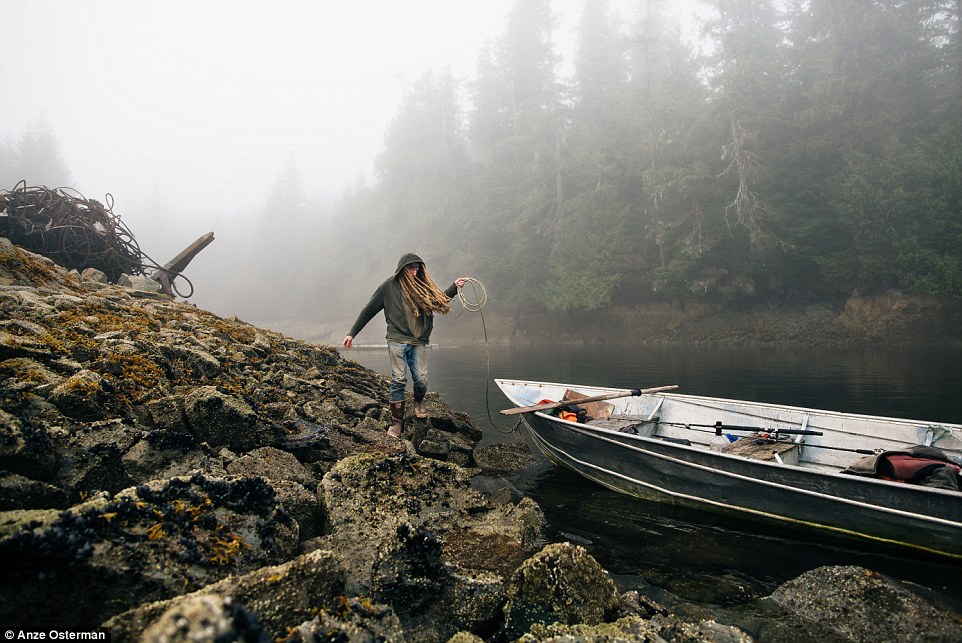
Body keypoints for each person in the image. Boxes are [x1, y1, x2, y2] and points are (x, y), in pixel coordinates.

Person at [343, 253, 467, 438]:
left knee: (421, 379)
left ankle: (419, 401)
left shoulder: (421, 287)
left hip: (419, 341)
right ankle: (396, 424)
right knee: (399, 379)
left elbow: (438, 300)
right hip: (397, 339)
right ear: (402, 269)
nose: (415, 272)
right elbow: (369, 310)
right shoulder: (388, 286)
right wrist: (352, 333)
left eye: (417, 269)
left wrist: (454, 287)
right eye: (411, 268)